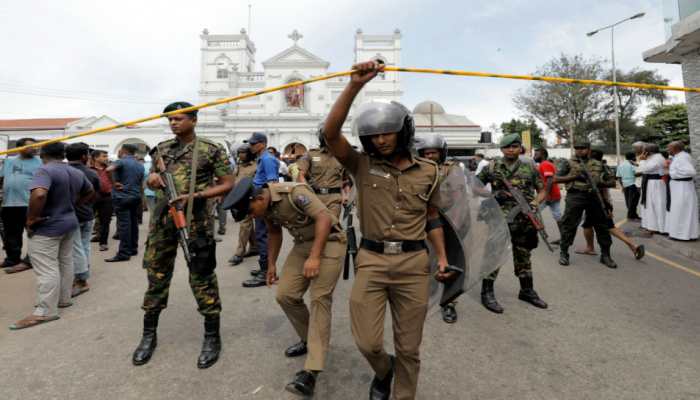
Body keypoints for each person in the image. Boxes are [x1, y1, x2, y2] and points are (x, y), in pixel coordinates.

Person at [323, 60, 450, 400]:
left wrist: (442, 259)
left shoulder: (430, 172)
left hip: (412, 265)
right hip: (372, 261)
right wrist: (354, 85)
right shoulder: (361, 165)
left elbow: (433, 216)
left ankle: (403, 394)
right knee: (368, 341)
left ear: (403, 130)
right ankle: (383, 370)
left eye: (387, 132)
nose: (380, 140)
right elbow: (330, 134)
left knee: (409, 348)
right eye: (373, 135)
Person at [132, 101, 234, 368]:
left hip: (196, 223)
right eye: (170, 120)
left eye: (178, 119)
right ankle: (148, 335)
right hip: (162, 223)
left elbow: (228, 184)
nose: (173, 123)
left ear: (194, 120)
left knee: (202, 277)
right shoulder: (162, 150)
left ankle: (212, 336)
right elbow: (152, 179)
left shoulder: (211, 150)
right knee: (156, 276)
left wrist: (196, 196)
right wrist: (151, 179)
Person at [225, 177, 345, 397]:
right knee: (285, 295)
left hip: (329, 242)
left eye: (251, 210)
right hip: (302, 246)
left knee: (319, 299)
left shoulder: (293, 193)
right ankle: (311, 339)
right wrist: (271, 265)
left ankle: (312, 370)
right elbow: (274, 232)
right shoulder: (265, 207)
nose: (252, 216)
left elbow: (324, 218)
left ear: (259, 198)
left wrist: (315, 257)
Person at [9, 142, 94, 330]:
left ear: (42, 154)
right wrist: (73, 205)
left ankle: (46, 311)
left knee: (46, 268)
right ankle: (64, 299)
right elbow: (90, 191)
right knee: (65, 261)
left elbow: (39, 194)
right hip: (69, 222)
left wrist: (31, 219)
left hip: (48, 226)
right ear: (62, 154)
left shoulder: (44, 171)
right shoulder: (75, 171)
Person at [477, 134, 548, 314]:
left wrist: (534, 203)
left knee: (523, 256)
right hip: (498, 220)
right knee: (494, 255)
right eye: (507, 147)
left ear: (519, 148)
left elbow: (542, 191)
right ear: (501, 149)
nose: (511, 149)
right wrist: (492, 196)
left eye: (515, 146)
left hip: (524, 221)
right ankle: (487, 293)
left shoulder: (530, 167)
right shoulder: (492, 167)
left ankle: (526, 291)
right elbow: (474, 186)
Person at [415, 134, 463, 324]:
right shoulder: (416, 169)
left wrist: (458, 222)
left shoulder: (452, 169)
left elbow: (459, 197)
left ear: (441, 153)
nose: (430, 156)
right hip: (422, 220)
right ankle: (426, 293)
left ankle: (449, 302)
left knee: (448, 262)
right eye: (426, 153)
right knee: (423, 258)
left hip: (448, 220)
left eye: (433, 152)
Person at [574, 149, 645, 260]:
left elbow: (600, 188)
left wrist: (606, 205)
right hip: (603, 202)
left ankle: (633, 245)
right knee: (592, 225)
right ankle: (591, 247)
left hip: (597, 202)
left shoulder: (594, 170)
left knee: (607, 227)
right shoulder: (604, 168)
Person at [555, 141, 617, 268]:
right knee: (569, 224)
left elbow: (612, 181)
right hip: (576, 195)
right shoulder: (567, 163)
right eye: (577, 148)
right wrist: (575, 177)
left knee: (602, 225)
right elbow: (555, 179)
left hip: (595, 196)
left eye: (582, 148)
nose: (579, 150)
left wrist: (598, 182)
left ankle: (605, 255)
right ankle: (564, 253)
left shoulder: (599, 164)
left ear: (588, 149)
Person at [242, 132, 279, 288]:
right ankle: (264, 267)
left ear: (262, 144)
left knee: (263, 236)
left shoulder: (267, 159)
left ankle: (266, 272)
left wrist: (267, 207)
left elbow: (272, 183)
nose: (250, 146)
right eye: (250, 143)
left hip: (264, 202)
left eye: (253, 143)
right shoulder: (262, 158)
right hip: (259, 200)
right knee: (260, 234)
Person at [0, 137, 41, 273]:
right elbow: (2, 178)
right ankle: (12, 259)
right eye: (31, 146)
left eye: (36, 146)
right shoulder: (9, 161)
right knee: (11, 234)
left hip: (30, 204)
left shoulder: (40, 162)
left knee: (34, 233)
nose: (35, 148)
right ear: (19, 148)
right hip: (9, 204)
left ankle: (31, 260)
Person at [66, 143, 101, 297]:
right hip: (86, 213)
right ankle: (82, 272)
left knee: (75, 247)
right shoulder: (91, 173)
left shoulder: (64, 171)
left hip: (72, 215)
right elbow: (96, 193)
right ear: (84, 156)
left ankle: (81, 278)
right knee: (83, 245)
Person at [104, 144, 145, 262]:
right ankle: (133, 248)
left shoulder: (121, 161)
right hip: (135, 196)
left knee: (124, 225)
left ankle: (124, 253)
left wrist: (114, 183)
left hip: (122, 197)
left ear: (123, 151)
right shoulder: (139, 164)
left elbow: (108, 170)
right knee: (133, 223)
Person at [296, 127, 346, 219]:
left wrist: (346, 196)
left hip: (334, 199)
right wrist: (307, 193)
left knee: (332, 225)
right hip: (315, 197)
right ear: (322, 138)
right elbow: (301, 175)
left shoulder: (342, 156)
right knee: (316, 227)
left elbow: (346, 180)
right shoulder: (311, 154)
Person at [228, 144, 258, 266]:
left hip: (249, 200)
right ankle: (255, 247)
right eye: (239, 152)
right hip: (238, 199)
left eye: (243, 152)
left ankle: (239, 252)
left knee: (244, 224)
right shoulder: (239, 166)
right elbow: (234, 180)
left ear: (250, 153)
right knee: (247, 224)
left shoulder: (256, 166)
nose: (241, 155)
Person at [665, 141, 699, 240]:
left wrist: (672, 173)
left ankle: (682, 235)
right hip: (679, 187)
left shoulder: (682, 157)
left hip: (682, 188)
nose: (668, 150)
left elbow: (691, 172)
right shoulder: (679, 156)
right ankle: (682, 234)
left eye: (669, 148)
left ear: (675, 149)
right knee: (680, 210)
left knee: (682, 211)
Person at [533, 147, 562, 244]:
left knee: (532, 212)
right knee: (557, 216)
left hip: (548, 195)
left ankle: (537, 234)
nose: (534, 156)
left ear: (543, 155)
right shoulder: (544, 164)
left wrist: (546, 194)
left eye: (536, 154)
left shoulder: (545, 164)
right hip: (552, 194)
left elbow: (549, 180)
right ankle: (564, 237)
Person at [638, 143, 668, 235]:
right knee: (650, 205)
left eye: (644, 150)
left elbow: (645, 169)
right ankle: (652, 226)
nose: (642, 152)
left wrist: (642, 160)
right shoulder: (652, 157)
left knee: (657, 205)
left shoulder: (658, 158)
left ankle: (659, 227)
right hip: (650, 183)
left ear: (648, 151)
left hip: (655, 183)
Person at [90, 150, 113, 252]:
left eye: (106, 156)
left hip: (107, 198)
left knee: (105, 221)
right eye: (103, 156)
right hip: (92, 197)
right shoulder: (89, 170)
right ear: (96, 158)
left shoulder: (109, 169)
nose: (106, 158)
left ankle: (103, 243)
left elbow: (114, 181)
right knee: (88, 220)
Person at [616, 151, 641, 220]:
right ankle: (631, 215)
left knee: (628, 200)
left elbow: (619, 177)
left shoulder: (621, 165)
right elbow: (637, 173)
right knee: (634, 201)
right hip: (633, 184)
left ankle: (633, 214)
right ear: (633, 157)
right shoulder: (632, 164)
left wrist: (622, 186)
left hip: (625, 184)